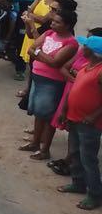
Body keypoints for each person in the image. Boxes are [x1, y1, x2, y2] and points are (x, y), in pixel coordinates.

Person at [21, 8, 79, 161]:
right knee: (39, 113)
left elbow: (55, 63)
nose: (52, 24)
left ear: (67, 26)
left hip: (53, 82)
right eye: (53, 21)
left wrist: (38, 53)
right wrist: (40, 54)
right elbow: (30, 49)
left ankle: (44, 149)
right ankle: (35, 143)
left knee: (48, 117)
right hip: (38, 77)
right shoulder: (48, 34)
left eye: (57, 22)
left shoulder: (71, 43)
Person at [59, 32, 102, 210]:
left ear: (92, 52)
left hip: (89, 124)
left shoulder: (100, 71)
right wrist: (64, 110)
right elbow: (75, 89)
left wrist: (93, 116)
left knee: (88, 158)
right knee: (76, 153)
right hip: (75, 118)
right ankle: (78, 183)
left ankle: (94, 194)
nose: (82, 48)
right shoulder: (87, 67)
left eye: (85, 47)